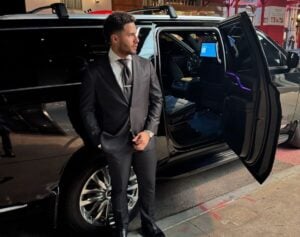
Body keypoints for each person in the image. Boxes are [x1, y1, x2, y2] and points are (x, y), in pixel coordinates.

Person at [80, 12, 164, 237]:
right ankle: (122, 228)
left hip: (144, 140)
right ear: (115, 39)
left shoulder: (145, 66)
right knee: (117, 189)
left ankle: (149, 225)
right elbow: (86, 109)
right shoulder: (95, 71)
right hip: (114, 142)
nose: (137, 39)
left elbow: (157, 100)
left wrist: (149, 131)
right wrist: (99, 140)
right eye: (131, 35)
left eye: (136, 34)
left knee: (148, 186)